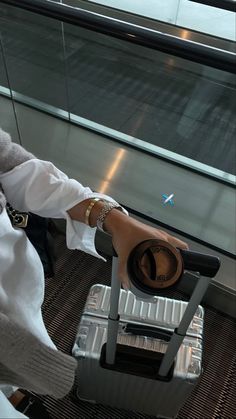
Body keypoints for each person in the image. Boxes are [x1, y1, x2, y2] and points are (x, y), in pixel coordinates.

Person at [0, 127, 188, 418]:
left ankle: (9, 391)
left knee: (24, 329)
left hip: (11, 272)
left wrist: (112, 219)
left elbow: (13, 166)